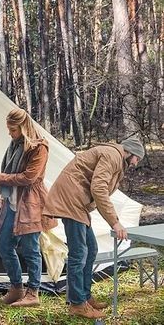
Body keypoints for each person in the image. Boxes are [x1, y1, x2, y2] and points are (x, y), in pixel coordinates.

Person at [42, 136, 145, 320]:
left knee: (91, 249)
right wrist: (115, 222)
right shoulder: (112, 155)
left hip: (77, 203)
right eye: (137, 158)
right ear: (130, 153)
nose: (136, 163)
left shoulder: (114, 157)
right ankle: (77, 304)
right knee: (79, 253)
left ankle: (85, 296)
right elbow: (99, 188)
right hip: (71, 201)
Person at [0, 108, 56, 307]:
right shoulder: (15, 145)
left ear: (23, 128)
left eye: (13, 129)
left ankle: (33, 292)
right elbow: (9, 169)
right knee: (4, 245)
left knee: (31, 249)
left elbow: (29, 177)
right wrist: (3, 191)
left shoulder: (39, 147)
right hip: (13, 202)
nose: (9, 133)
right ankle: (17, 288)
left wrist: (0, 177)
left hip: (31, 203)